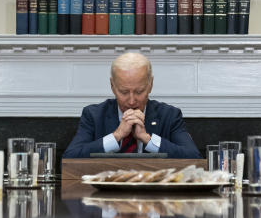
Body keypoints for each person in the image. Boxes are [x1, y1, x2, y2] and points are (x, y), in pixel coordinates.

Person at [63, 52, 200, 159]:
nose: (132, 101)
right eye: (124, 92)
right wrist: (117, 135)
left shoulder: (169, 115)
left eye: (139, 91)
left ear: (150, 84)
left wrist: (147, 138)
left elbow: (194, 157)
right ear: (112, 86)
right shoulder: (93, 115)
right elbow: (69, 159)